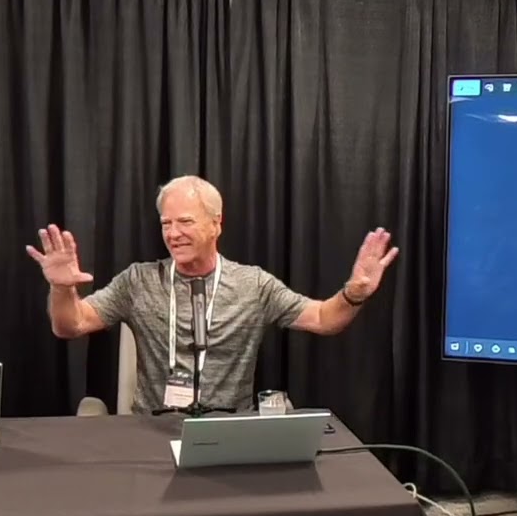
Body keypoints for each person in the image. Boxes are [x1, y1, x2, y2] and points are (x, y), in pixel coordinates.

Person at [26, 175, 398, 414]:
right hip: (150, 433)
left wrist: (353, 293)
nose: (173, 234)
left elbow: (323, 319)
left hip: (229, 436)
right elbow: (70, 325)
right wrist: (61, 287)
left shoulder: (253, 285)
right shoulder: (138, 281)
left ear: (216, 224)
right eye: (166, 224)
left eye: (185, 222)